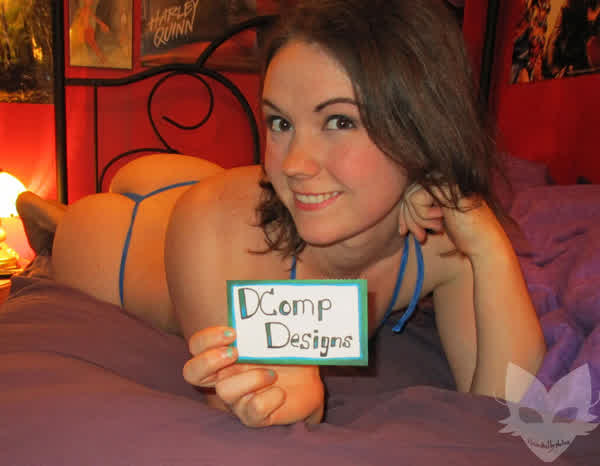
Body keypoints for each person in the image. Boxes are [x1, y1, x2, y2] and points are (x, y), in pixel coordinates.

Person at [18, 0, 545, 428]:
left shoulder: (445, 233)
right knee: (83, 230)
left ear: (423, 126)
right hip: (136, 240)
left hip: (237, 198)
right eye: (280, 122)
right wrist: (283, 406)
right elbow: (242, 400)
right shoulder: (217, 227)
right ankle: (55, 219)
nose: (293, 163)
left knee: (234, 191)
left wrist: (489, 246)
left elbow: (501, 410)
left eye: (338, 121)